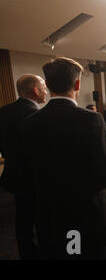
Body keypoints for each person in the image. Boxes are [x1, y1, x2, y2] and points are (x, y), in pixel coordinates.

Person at [20, 57, 106, 259]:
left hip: (51, 217)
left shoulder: (29, 123)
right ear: (77, 84)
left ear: (47, 85)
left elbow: (27, 173)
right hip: (91, 216)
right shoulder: (91, 119)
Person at [0, 74, 47, 259]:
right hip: (38, 179)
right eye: (43, 87)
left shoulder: (3, 112)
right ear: (35, 90)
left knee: (23, 220)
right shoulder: (38, 116)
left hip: (14, 176)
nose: (46, 90)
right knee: (44, 222)